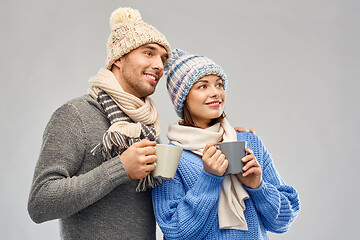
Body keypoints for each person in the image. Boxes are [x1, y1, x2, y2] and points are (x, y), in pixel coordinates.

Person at [27, 7, 171, 239]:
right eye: (149, 53)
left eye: (163, 59)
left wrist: (219, 134)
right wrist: (120, 168)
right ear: (119, 58)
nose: (159, 65)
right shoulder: (75, 114)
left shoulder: (148, 128)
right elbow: (40, 202)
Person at [152, 49, 300, 239]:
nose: (216, 93)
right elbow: (175, 231)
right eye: (202, 86)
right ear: (183, 99)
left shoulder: (249, 142)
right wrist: (209, 178)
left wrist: (258, 186)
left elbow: (282, 221)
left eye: (219, 84)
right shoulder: (168, 156)